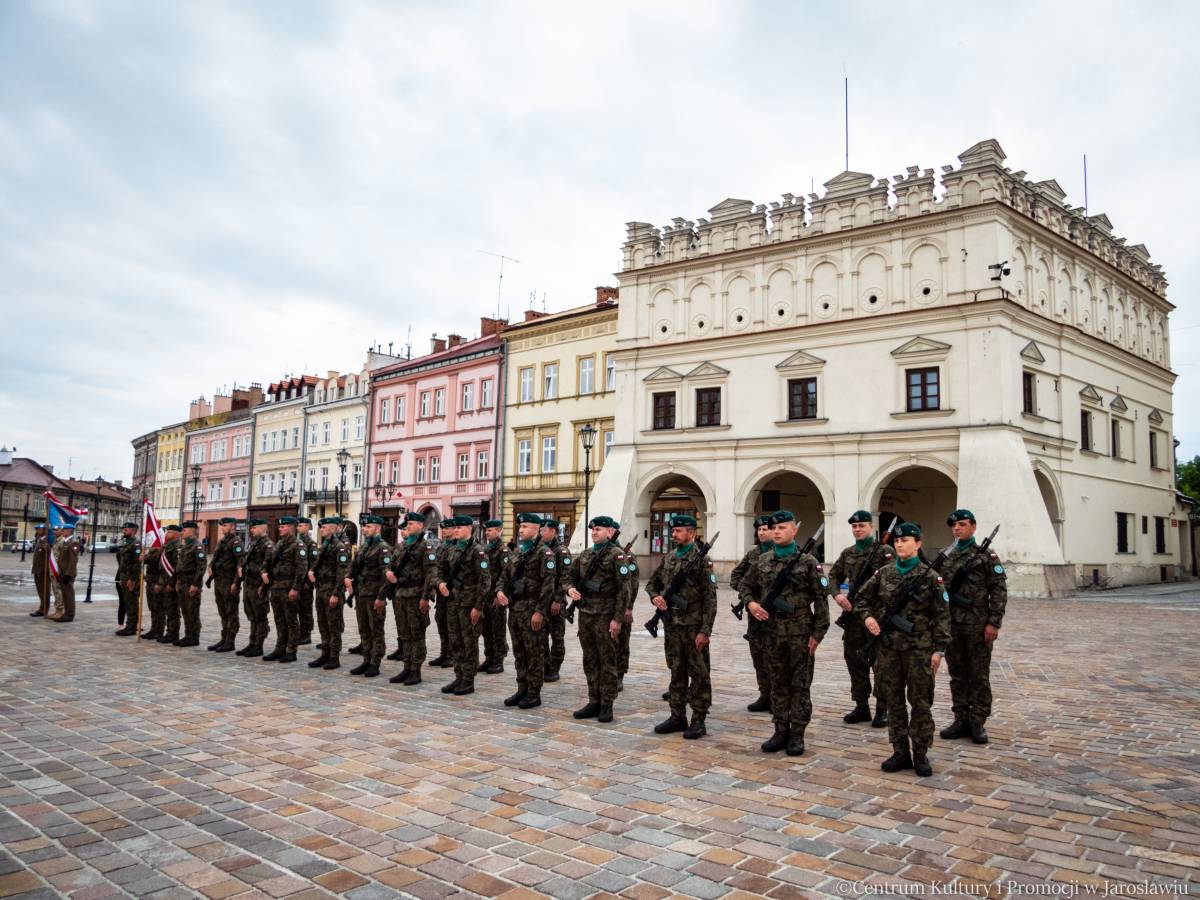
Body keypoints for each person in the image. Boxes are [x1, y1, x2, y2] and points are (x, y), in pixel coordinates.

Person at [854, 521, 950, 777]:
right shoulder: (883, 573)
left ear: (918, 544)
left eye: (905, 540)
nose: (899, 544)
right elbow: (861, 599)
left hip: (919, 651)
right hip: (888, 650)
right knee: (893, 701)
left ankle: (920, 753)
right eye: (897, 541)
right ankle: (899, 751)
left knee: (920, 703)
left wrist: (938, 651)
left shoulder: (930, 576)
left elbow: (942, 616)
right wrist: (868, 618)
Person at [738, 511, 830, 755]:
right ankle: (780, 730)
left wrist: (818, 634)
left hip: (800, 634)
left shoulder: (808, 562)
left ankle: (797, 735)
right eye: (774, 527)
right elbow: (745, 585)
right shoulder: (762, 560)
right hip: (771, 633)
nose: (777, 531)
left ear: (794, 530)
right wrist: (751, 604)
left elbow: (821, 601)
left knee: (799, 686)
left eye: (782, 527)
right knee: (778, 684)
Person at [939, 509, 1007, 746]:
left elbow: (998, 590)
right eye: (954, 525)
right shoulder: (945, 556)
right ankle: (960, 718)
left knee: (979, 675)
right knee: (957, 675)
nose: (957, 528)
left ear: (973, 527)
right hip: (951, 626)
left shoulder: (986, 556)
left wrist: (993, 622)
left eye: (962, 524)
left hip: (978, 626)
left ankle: (977, 721)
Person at [647, 514, 717, 740]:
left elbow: (710, 599)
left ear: (691, 533)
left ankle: (698, 719)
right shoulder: (669, 558)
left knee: (699, 674)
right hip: (672, 626)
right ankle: (677, 716)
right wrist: (655, 597)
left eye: (679, 531)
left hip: (693, 626)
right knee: (676, 672)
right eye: (673, 531)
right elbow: (652, 583)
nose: (674, 534)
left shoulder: (701, 560)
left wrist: (705, 630)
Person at [828, 510, 895, 727]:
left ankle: (882, 708)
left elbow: (893, 580)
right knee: (855, 661)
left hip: (877, 617)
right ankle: (861, 705)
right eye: (855, 527)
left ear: (870, 526)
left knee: (880, 664)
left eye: (862, 526)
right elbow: (833, 576)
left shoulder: (884, 551)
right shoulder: (848, 553)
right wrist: (837, 594)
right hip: (853, 618)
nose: (858, 529)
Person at [566, 516, 628, 723]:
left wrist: (617, 619)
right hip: (586, 616)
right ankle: (594, 700)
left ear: (610, 532)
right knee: (590, 660)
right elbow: (568, 576)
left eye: (599, 529)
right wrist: (570, 589)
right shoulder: (585, 554)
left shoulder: (617, 556)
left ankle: (607, 704)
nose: (594, 532)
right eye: (592, 529)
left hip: (605, 617)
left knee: (607, 661)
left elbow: (624, 590)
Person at [496, 513, 557, 709]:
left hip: (532, 610)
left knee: (535, 652)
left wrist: (539, 612)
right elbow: (503, 577)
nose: (521, 530)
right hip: (515, 610)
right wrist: (499, 592)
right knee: (519, 652)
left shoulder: (544, 553)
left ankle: (533, 692)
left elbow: (549, 586)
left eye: (525, 527)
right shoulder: (517, 553)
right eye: (520, 527)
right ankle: (522, 687)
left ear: (537, 529)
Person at [435, 517, 490, 696]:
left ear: (469, 529)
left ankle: (468, 679)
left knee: (469, 642)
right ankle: (458, 676)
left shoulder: (477, 551)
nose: (455, 530)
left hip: (469, 605)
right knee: (455, 641)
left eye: (459, 527)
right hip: (452, 602)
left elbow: (485, 581)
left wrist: (478, 607)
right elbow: (439, 570)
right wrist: (440, 583)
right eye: (455, 528)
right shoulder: (452, 549)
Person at [384, 512, 437, 685]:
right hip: (400, 595)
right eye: (407, 524)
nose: (408, 527)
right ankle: (406, 666)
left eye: (412, 524)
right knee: (404, 633)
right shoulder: (401, 547)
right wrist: (389, 573)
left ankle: (416, 670)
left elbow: (431, 574)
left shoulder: (425, 546)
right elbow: (389, 565)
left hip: (416, 596)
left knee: (417, 634)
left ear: (421, 525)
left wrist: (425, 598)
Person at [729, 514, 775, 713]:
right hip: (754, 612)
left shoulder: (782, 553)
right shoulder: (752, 555)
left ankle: (777, 698)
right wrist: (749, 597)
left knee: (775, 656)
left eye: (766, 528)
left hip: (776, 614)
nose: (762, 532)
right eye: (759, 529)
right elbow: (735, 577)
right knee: (758, 654)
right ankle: (765, 695)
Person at [345, 515, 391, 677]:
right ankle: (366, 659)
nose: (364, 529)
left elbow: (386, 575)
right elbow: (353, 565)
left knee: (376, 629)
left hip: (374, 595)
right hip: (361, 593)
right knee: (364, 628)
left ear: (377, 528)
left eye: (368, 527)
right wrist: (347, 577)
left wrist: (381, 598)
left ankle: (375, 662)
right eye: (363, 527)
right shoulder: (364, 546)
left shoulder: (383, 547)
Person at [309, 516, 351, 670]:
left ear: (333, 528)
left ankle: (334, 657)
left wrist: (336, 593)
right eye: (321, 527)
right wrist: (312, 571)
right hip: (321, 589)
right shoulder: (325, 544)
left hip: (332, 589)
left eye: (324, 527)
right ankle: (325, 654)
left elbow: (342, 572)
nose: (322, 529)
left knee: (333, 624)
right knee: (323, 623)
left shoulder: (339, 547)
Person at [263, 516, 306, 663]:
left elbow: (301, 569)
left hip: (288, 588)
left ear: (291, 528)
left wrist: (295, 588)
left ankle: (291, 650)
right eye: (279, 527)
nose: (279, 528)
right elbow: (269, 561)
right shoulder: (279, 544)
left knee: (291, 620)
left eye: (283, 526)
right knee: (279, 619)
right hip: (276, 587)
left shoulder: (298, 545)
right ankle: (280, 648)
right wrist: (264, 572)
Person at [538, 518, 570, 682]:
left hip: (556, 602)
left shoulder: (561, 551)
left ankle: (555, 668)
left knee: (557, 637)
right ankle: (546, 666)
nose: (541, 533)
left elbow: (565, 578)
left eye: (544, 530)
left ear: (553, 531)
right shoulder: (541, 549)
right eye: (541, 530)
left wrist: (557, 600)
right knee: (541, 637)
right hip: (542, 602)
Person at [236, 519, 273, 656]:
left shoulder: (268, 545)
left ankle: (259, 645)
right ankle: (252, 643)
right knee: (251, 614)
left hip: (258, 585)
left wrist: (263, 586)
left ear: (263, 529)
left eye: (254, 528)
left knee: (260, 615)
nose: (251, 530)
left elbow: (268, 567)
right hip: (249, 583)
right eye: (251, 528)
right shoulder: (254, 544)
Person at [207, 518, 244, 652]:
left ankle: (230, 641)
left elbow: (240, 565)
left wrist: (236, 583)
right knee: (222, 611)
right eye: (222, 526)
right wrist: (210, 566)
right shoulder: (222, 541)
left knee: (231, 612)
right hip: (219, 581)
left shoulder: (236, 542)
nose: (223, 528)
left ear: (233, 526)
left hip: (229, 581)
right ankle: (224, 638)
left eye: (225, 525)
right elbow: (215, 558)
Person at [480, 519, 508, 674]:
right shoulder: (484, 549)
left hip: (496, 597)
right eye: (486, 530)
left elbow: (506, 574)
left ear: (498, 531)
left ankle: (499, 660)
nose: (487, 532)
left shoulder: (503, 551)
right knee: (486, 629)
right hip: (485, 596)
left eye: (490, 530)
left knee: (498, 629)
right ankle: (489, 657)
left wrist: (500, 593)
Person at [426, 519, 456, 667]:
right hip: (441, 592)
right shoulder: (442, 546)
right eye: (442, 529)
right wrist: (434, 585)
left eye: (447, 529)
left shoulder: (458, 546)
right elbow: (436, 568)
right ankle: (444, 653)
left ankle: (452, 655)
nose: (444, 531)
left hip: (454, 593)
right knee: (441, 622)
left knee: (452, 625)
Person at [174, 521, 206, 647]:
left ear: (192, 531)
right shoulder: (185, 546)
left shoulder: (197, 546)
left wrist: (196, 584)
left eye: (184, 530)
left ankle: (194, 637)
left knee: (192, 611)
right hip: (182, 582)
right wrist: (177, 581)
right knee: (185, 610)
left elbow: (201, 566)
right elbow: (180, 566)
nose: (182, 533)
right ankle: (188, 635)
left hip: (191, 583)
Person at [114, 522, 141, 636]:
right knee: (127, 601)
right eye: (123, 529)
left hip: (131, 578)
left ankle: (131, 627)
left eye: (126, 529)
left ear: (133, 530)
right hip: (124, 576)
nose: (124, 531)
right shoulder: (126, 543)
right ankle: (129, 625)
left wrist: (133, 579)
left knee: (132, 603)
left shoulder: (136, 544)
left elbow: (137, 563)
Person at [157, 525, 182, 641]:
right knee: (167, 607)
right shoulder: (167, 546)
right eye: (167, 532)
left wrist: (171, 584)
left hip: (170, 582)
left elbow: (176, 567)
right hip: (164, 581)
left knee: (172, 609)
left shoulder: (177, 547)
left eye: (169, 532)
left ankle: (173, 633)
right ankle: (169, 632)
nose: (166, 535)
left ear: (177, 534)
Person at [296, 517, 317, 647]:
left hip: (305, 584)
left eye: (302, 526)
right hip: (297, 582)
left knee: (305, 609)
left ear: (308, 527)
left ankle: (306, 634)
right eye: (298, 526)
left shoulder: (311, 544)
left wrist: (308, 583)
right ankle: (300, 633)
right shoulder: (297, 542)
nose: (299, 528)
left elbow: (313, 564)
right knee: (298, 608)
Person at [142, 541, 164, 639]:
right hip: (150, 582)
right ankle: (153, 629)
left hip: (157, 582)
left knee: (158, 607)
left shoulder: (162, 552)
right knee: (152, 607)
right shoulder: (150, 552)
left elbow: (156, 562)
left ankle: (159, 630)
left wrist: (145, 558)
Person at [30, 524, 49, 618]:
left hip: (43, 571)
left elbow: (49, 555)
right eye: (36, 529)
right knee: (40, 591)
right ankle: (42, 608)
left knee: (44, 590)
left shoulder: (47, 541)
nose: (37, 530)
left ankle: (44, 609)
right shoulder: (39, 540)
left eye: (39, 529)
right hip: (37, 570)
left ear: (44, 530)